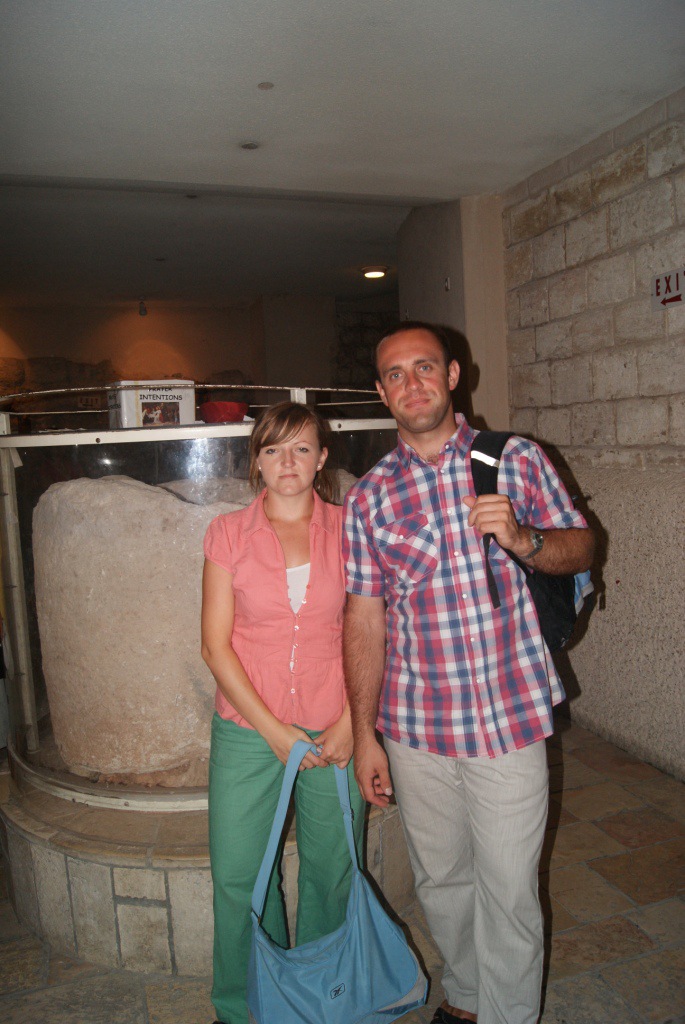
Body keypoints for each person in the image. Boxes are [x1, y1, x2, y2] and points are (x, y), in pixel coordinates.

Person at [342, 323, 594, 1024]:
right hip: (415, 728)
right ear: (381, 392)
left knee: (508, 892)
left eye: (424, 367)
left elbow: (580, 548)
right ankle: (468, 997)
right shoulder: (369, 496)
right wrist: (363, 736)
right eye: (395, 375)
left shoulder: (514, 459)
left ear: (453, 375)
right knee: (442, 882)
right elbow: (363, 619)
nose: (412, 384)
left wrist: (523, 538)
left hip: (507, 716)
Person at [202, 401, 364, 1024]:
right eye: (272, 449)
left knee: (332, 869)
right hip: (249, 728)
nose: (287, 461)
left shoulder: (352, 530)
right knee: (239, 875)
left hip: (336, 724)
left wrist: (352, 723)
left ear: (322, 458)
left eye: (301, 448)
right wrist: (274, 733)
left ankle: (323, 998)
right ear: (257, 462)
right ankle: (245, 1007)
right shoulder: (226, 534)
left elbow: (374, 630)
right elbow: (215, 645)